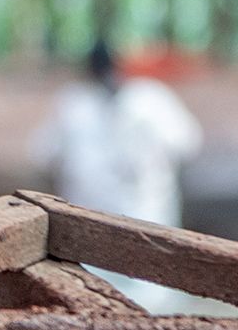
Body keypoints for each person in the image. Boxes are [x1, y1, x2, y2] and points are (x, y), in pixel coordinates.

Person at [32, 38, 205, 230]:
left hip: (142, 224)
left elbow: (44, 157)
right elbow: (188, 145)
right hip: (95, 228)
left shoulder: (150, 99)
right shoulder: (74, 104)